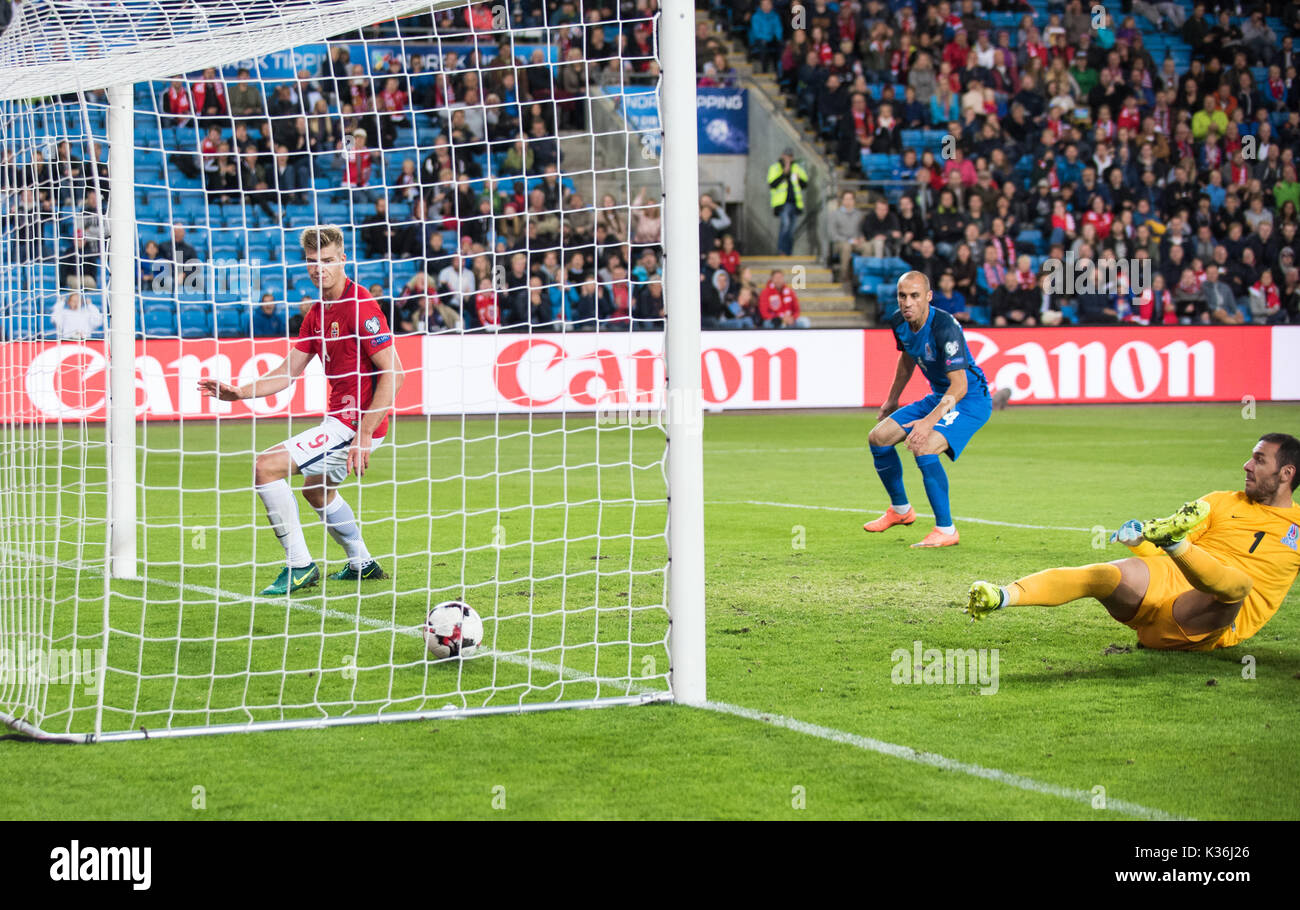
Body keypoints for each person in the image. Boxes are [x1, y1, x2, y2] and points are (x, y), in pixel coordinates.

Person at [197, 226, 404, 595]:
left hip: (356, 424)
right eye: (312, 262)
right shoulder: (316, 312)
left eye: (327, 261)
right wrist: (240, 392)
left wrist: (365, 434)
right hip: (338, 420)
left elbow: (394, 374)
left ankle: (300, 565)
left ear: (343, 259)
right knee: (316, 492)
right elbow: (288, 372)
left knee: (265, 467)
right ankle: (363, 563)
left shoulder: (361, 306)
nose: (319, 268)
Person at [967, 435, 1300, 653]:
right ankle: (1001, 596)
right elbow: (1159, 559)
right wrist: (1140, 543)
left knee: (1238, 585)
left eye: (1259, 459)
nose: (1246, 465)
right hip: (1165, 584)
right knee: (1100, 576)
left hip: (1202, 623)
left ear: (1286, 474)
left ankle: (1174, 543)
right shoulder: (1222, 501)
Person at [864, 271, 992, 549]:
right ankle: (900, 511)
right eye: (902, 296)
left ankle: (946, 530)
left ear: (928, 297)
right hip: (938, 396)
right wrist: (892, 399)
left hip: (969, 399)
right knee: (878, 438)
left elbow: (959, 386)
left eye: (914, 296)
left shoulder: (945, 327)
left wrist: (927, 423)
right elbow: (908, 358)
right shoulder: (898, 321)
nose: (907, 302)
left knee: (924, 446)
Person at [767, 148, 809, 256]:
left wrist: (799, 179)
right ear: (782, 156)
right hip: (782, 203)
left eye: (790, 156)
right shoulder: (775, 167)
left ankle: (788, 252)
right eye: (786, 156)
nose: (788, 159)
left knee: (791, 230)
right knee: (785, 225)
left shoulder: (797, 168)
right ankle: (781, 251)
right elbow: (772, 184)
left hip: (795, 204)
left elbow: (805, 184)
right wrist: (784, 173)